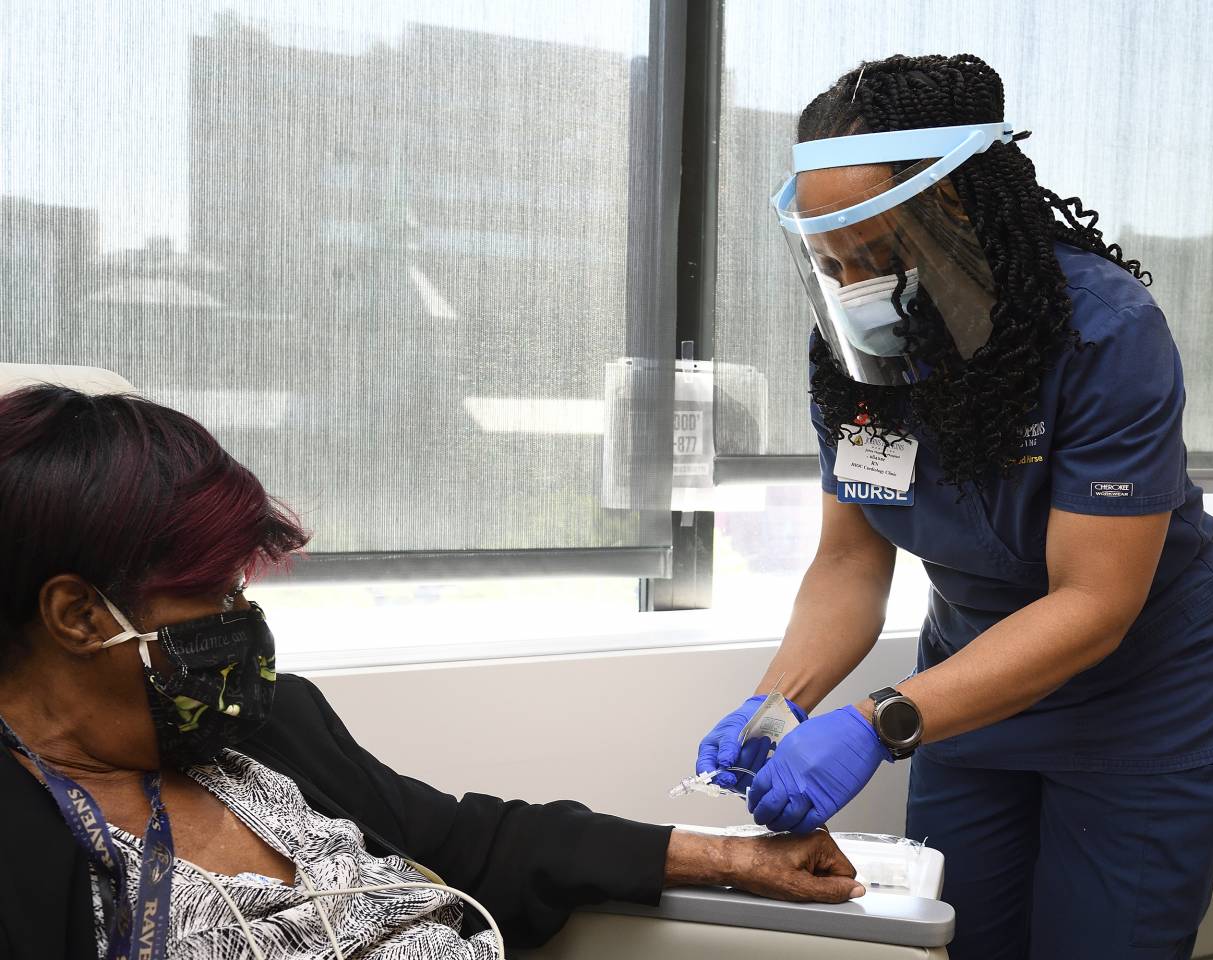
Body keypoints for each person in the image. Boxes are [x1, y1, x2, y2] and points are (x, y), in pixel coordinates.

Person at [695, 54, 1213, 959]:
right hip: (966, 697)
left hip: (1136, 708)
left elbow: (1092, 604)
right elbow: (848, 561)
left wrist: (879, 721)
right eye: (828, 261)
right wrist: (777, 706)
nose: (851, 289)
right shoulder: (857, 349)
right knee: (958, 941)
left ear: (957, 212)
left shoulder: (1102, 331)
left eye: (872, 255)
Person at [0, 384, 864, 960]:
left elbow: (467, 841)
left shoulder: (263, 728)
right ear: (78, 615)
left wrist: (734, 859)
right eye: (213, 597)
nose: (243, 624)